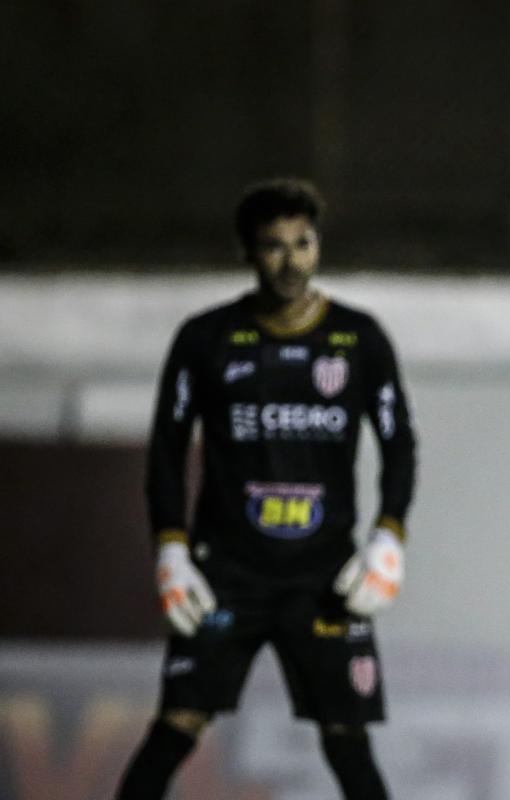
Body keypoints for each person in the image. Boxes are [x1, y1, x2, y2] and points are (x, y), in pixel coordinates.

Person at [116, 178, 417, 800]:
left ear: (318, 245)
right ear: (248, 252)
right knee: (175, 726)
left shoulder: (359, 338)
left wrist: (388, 536)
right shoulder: (205, 338)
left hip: (324, 577)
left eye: (302, 243)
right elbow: (166, 451)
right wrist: (170, 549)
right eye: (273, 246)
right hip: (227, 573)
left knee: (348, 741)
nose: (290, 261)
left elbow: (399, 445)